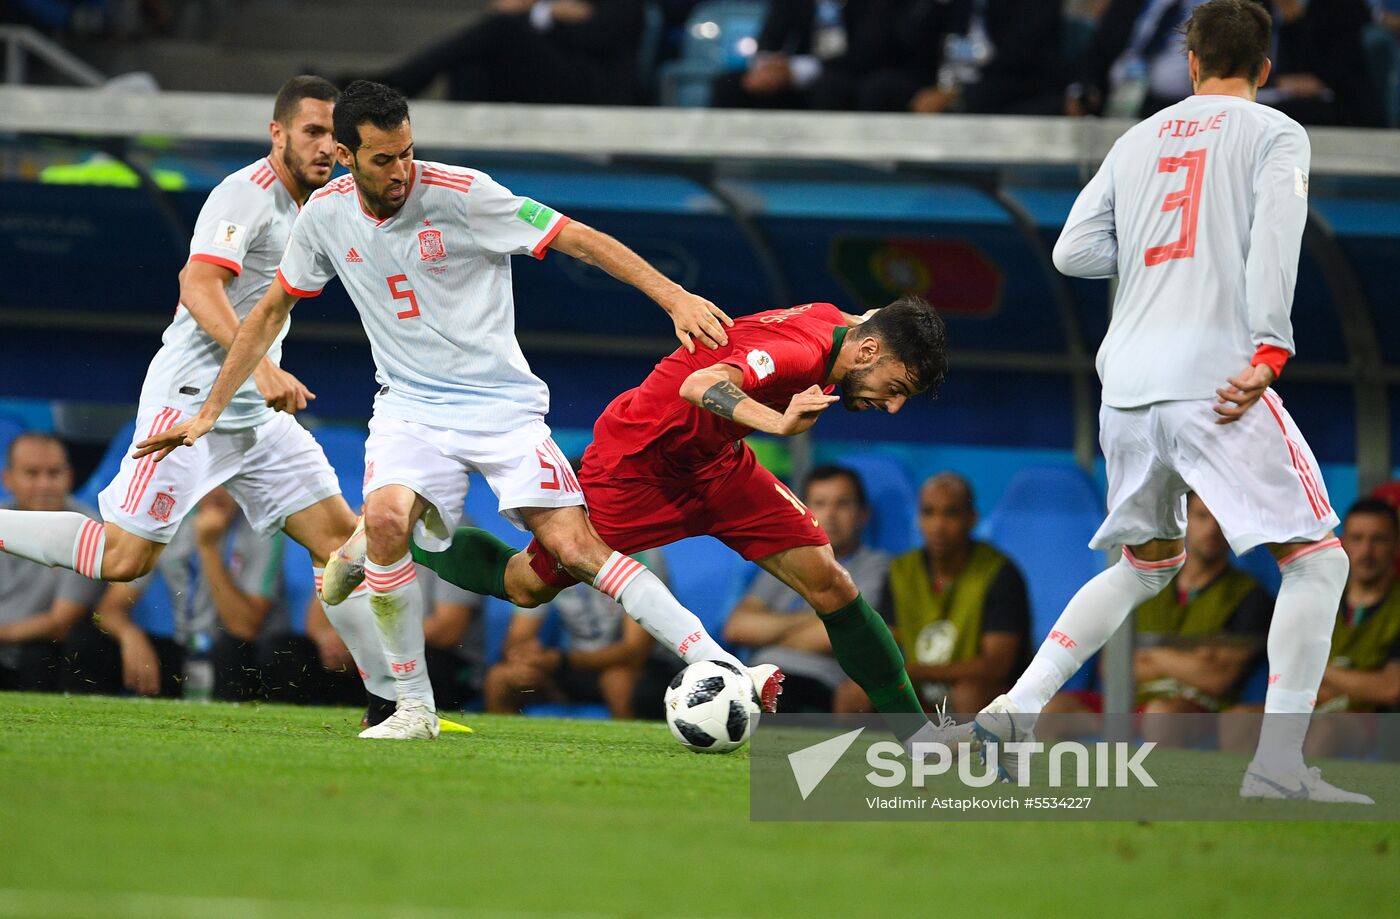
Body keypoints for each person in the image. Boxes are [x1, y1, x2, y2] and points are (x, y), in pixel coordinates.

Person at [136, 81, 777, 742]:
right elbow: (270, 309)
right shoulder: (324, 216)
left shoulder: (465, 193)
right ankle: (413, 707)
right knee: (386, 517)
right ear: (349, 157)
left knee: (571, 551)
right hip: (409, 410)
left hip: (502, 408)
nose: (401, 170)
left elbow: (577, 238)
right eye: (383, 159)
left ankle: (719, 661)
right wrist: (213, 408)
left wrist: (673, 298)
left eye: (407, 152)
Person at [973, 0, 1369, 803]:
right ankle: (1277, 764)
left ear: (1189, 65)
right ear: (1263, 67)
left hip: (1127, 385)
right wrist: (1270, 348)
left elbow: (1072, 249)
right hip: (1214, 375)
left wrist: (1160, 254)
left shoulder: (1138, 136)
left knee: (1147, 562)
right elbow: (1277, 241)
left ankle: (1016, 708)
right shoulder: (1275, 133)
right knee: (1319, 560)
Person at [0, 76, 402, 727]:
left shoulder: (323, 201)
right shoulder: (246, 193)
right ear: (278, 134)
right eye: (313, 132)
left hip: (251, 418)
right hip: (189, 404)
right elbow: (197, 283)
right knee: (125, 558)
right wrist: (265, 367)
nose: (327, 146)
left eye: (336, 135)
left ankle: (392, 706)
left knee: (337, 544)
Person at [405, 296, 957, 748]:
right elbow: (700, 386)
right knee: (524, 586)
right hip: (638, 468)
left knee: (832, 583)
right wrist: (778, 423)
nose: (891, 407)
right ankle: (405, 537)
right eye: (895, 390)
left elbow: (873, 316)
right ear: (867, 351)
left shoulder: (847, 326)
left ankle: (914, 735)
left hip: (718, 466)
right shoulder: (799, 350)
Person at [1043, 493, 1273, 746]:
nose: (1212, 529)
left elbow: (1217, 678)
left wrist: (1149, 655)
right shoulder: (1146, 582)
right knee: (1051, 711)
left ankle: (1149, 786)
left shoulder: (1250, 596)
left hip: (1196, 708)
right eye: (1201, 517)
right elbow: (1112, 666)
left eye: (1221, 519)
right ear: (1183, 520)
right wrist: (1193, 659)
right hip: (1130, 704)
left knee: (1162, 715)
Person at [837, 473, 1028, 715]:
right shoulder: (901, 571)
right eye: (929, 512)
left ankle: (974, 753)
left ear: (972, 519)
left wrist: (915, 672)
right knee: (852, 693)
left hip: (981, 691)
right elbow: (888, 640)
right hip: (920, 688)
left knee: (968, 694)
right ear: (918, 519)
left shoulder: (1000, 573)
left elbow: (996, 667)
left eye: (951, 513)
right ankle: (851, 752)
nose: (938, 525)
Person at [724, 465, 890, 712]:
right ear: (804, 512)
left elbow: (839, 637)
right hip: (759, 675)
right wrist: (813, 619)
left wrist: (769, 633)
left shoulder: (876, 565)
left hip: (820, 682)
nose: (830, 514)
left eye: (842, 504)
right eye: (820, 503)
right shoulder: (786, 557)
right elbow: (737, 627)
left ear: (863, 514)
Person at [487, 550, 668, 718]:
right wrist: (526, 658)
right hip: (571, 667)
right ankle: (515, 751)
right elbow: (518, 637)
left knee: (617, 682)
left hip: (639, 669)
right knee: (501, 678)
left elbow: (635, 652)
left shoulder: (643, 554)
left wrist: (560, 660)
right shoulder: (548, 551)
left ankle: (629, 750)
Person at [364, 0, 646, 105]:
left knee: (502, 28)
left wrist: (539, 11)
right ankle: (465, 168)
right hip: (542, 73)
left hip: (593, 83)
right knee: (470, 63)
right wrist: (552, 12)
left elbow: (597, 34)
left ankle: (395, 84)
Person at [0, 433, 104, 691]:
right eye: (32, 473)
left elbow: (61, 623)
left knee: (43, 655)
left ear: (69, 477)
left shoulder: (85, 529)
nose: (44, 484)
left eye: (54, 473)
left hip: (40, 655)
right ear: (8, 479)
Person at [709, 0, 922, 112]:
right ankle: (718, 170)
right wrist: (766, 66)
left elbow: (869, 51)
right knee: (728, 84)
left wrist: (796, 70)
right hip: (796, 73)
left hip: (855, 72)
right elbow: (771, 36)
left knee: (831, 86)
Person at [904, 0, 1065, 116]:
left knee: (975, 101)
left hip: (1009, 84)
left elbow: (1018, 58)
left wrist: (957, 94)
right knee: (888, 90)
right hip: (943, 81)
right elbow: (909, 45)